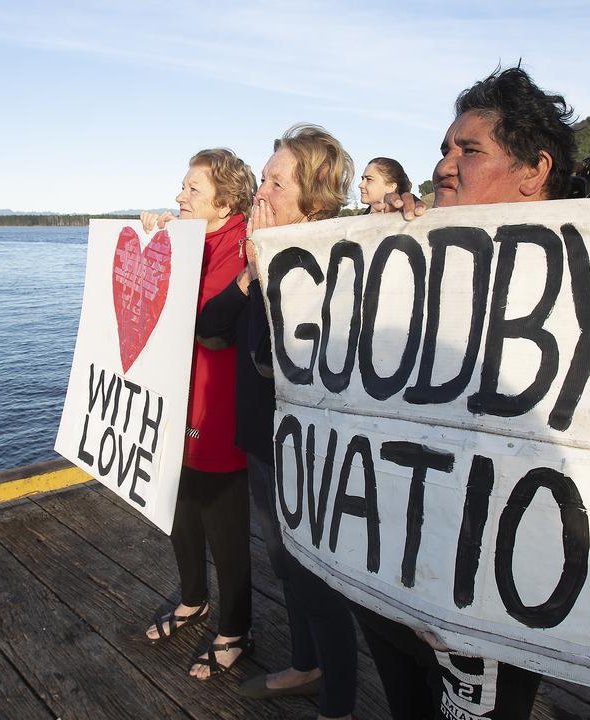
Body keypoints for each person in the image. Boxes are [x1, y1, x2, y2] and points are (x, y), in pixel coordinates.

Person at [369, 66, 575, 719]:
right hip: (395, 568)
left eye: (469, 150)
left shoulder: (581, 276)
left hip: (492, 587)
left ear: (534, 171)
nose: (443, 165)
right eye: (444, 148)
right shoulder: (419, 256)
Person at [197, 124, 361, 720]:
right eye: (263, 178)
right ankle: (305, 663)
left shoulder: (332, 260)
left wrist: (268, 274)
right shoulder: (261, 254)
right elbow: (211, 326)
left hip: (306, 447)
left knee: (319, 580)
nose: (261, 192)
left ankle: (338, 703)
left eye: (275, 181)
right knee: (284, 564)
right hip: (261, 441)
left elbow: (283, 359)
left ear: (314, 196)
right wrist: (251, 271)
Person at [138, 148, 258, 681]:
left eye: (192, 190)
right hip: (174, 397)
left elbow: (215, 325)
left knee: (223, 517)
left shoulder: (245, 242)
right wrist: (154, 239)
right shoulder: (185, 240)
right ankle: (193, 599)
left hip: (217, 403)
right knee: (178, 504)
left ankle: (236, 627)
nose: (178, 197)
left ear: (225, 200)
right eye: (181, 188)